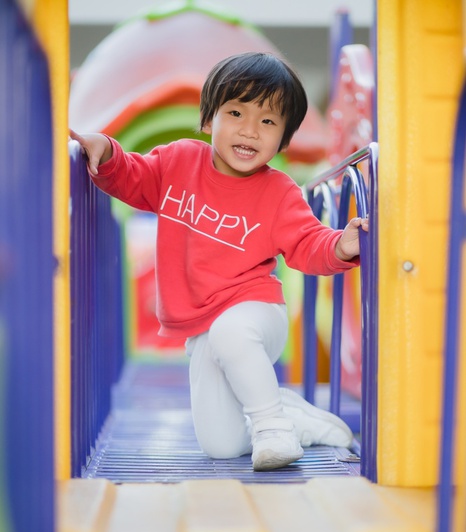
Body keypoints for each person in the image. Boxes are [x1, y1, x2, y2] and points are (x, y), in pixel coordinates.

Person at [70, 51, 368, 471]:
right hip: (203, 329)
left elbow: (307, 243)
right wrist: (107, 152)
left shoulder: (279, 192)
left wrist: (341, 245)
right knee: (221, 446)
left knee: (232, 328)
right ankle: (291, 416)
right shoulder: (178, 162)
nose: (250, 131)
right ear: (210, 119)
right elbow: (133, 176)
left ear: (283, 139)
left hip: (257, 314)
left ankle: (271, 426)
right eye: (236, 112)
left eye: (268, 122)